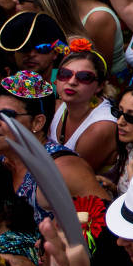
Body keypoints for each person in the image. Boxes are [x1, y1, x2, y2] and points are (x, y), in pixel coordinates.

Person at [0, 70, 108, 223]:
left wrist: (60, 231)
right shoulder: (1, 159)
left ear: (37, 122)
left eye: (7, 115)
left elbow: (103, 218)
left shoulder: (63, 168)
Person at [49, 44, 118, 173]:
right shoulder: (57, 106)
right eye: (65, 74)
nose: (72, 82)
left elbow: (71, 174)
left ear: (100, 86)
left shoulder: (102, 127)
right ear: (56, 79)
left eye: (84, 77)